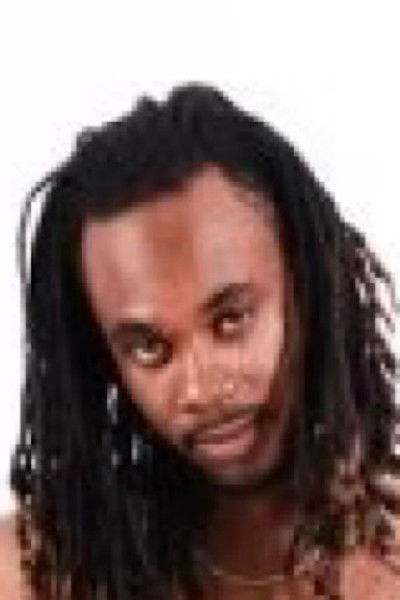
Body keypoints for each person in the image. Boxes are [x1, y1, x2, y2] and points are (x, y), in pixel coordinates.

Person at [4, 83, 399, 599]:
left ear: (308, 287)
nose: (199, 388)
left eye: (231, 320)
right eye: (149, 348)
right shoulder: (33, 573)